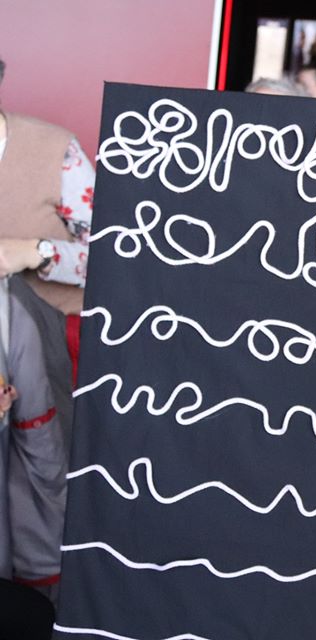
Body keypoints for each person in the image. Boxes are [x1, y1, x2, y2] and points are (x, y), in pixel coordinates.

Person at [0, 56, 92, 602]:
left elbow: (120, 251)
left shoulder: (55, 150)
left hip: (54, 343)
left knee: (43, 479)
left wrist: (34, 252)